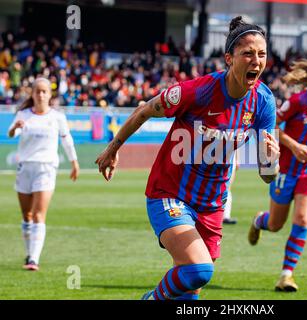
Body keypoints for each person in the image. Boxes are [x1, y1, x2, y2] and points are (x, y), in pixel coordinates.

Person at [95, 16, 280, 300]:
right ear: (229, 58)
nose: (256, 61)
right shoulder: (197, 91)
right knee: (199, 270)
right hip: (169, 194)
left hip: (211, 205)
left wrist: (272, 161)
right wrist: (113, 148)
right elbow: (144, 110)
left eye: (262, 54)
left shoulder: (264, 102)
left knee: (189, 290)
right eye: (248, 54)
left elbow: (267, 174)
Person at [248, 59, 307, 292]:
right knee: (274, 225)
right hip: (286, 171)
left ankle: (286, 276)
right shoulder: (298, 101)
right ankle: (258, 221)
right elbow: (273, 126)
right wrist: (294, 147)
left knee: (302, 219)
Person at [8, 77, 79, 271]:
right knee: (27, 215)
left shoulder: (57, 117)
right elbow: (10, 134)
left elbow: (66, 140)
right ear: (32, 94)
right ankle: (29, 252)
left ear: (49, 94)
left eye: (44, 91)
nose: (40, 95)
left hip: (46, 168)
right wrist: (15, 128)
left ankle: (33, 259)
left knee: (39, 215)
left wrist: (74, 162)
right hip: (24, 168)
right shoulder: (23, 114)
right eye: (37, 91)